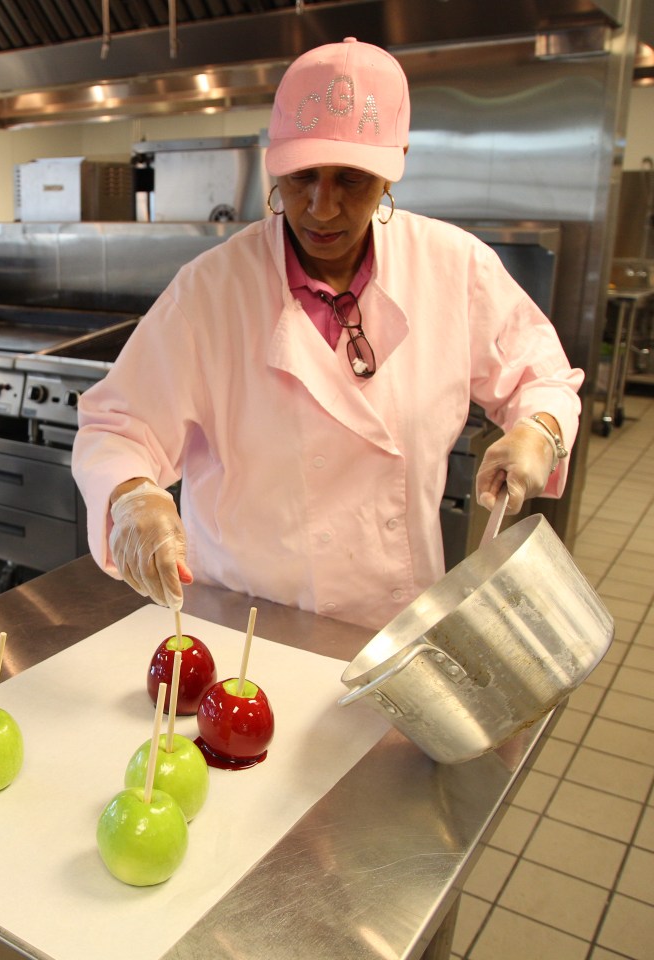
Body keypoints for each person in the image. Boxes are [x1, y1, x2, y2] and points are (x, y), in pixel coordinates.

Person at [71, 37, 584, 631]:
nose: (321, 207)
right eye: (302, 176)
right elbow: (116, 428)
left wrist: (539, 432)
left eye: (352, 180)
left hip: (393, 628)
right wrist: (131, 494)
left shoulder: (453, 266)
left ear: (396, 166)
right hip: (246, 621)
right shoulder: (210, 292)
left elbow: (541, 375)